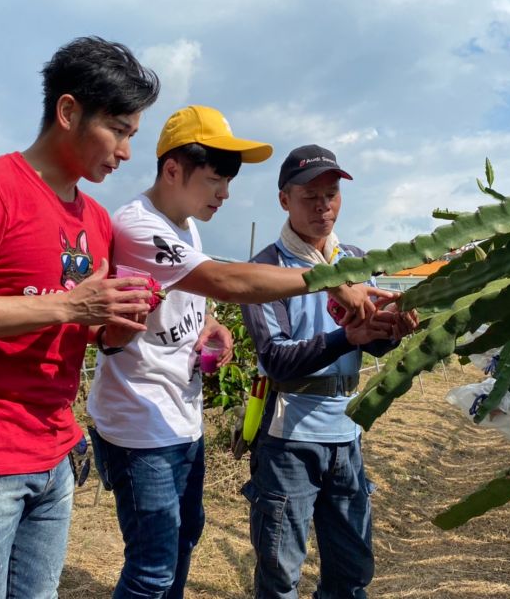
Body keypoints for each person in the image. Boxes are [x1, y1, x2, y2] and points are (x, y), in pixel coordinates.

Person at [0, 37, 160, 599]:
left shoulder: (94, 216)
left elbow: (78, 325)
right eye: (117, 128)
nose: (127, 151)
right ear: (68, 112)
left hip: (53, 451)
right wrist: (69, 305)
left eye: (133, 134)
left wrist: (110, 327)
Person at [86, 106, 383, 599]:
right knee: (153, 568)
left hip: (180, 419)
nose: (224, 194)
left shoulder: (186, 225)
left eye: (228, 182)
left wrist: (209, 324)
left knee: (182, 542)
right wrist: (330, 283)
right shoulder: (139, 225)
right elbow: (224, 281)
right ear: (173, 170)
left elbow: (187, 293)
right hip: (141, 427)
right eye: (215, 181)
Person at [239, 144, 419, 599]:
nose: (324, 206)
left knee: (352, 569)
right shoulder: (263, 269)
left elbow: (372, 337)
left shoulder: (353, 259)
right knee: (280, 573)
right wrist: (346, 339)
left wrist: (394, 330)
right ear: (284, 200)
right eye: (310, 195)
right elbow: (276, 357)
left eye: (332, 193)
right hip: (289, 440)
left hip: (347, 435)